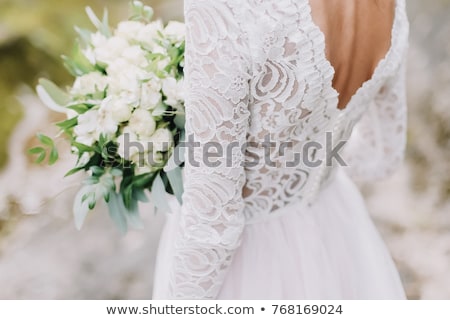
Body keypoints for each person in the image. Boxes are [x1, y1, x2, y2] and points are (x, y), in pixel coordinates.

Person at [153, 0, 409, 299]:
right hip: (337, 234)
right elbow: (382, 156)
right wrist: (307, 164)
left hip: (251, 264)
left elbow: (213, 220)